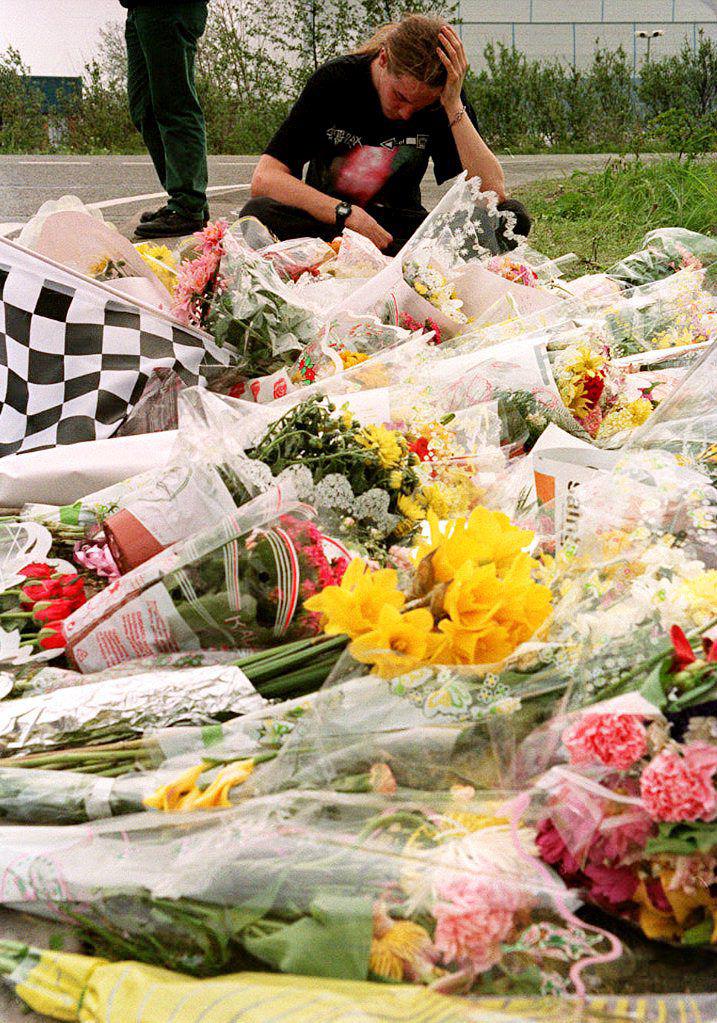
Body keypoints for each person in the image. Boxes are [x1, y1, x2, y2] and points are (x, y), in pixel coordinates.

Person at [241, 16, 530, 256]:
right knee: (258, 212)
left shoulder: (444, 98)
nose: (406, 113)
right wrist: (345, 213)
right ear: (383, 59)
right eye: (399, 96)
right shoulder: (334, 82)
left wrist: (453, 103)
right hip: (330, 223)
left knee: (510, 218)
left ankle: (405, 263)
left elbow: (492, 193)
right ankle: (406, 264)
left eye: (420, 105)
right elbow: (265, 178)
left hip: (396, 230)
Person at [120, 0, 210, 239]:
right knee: (144, 108)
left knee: (175, 103)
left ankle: (188, 205)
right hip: (139, 8)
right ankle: (189, 202)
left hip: (169, 7)